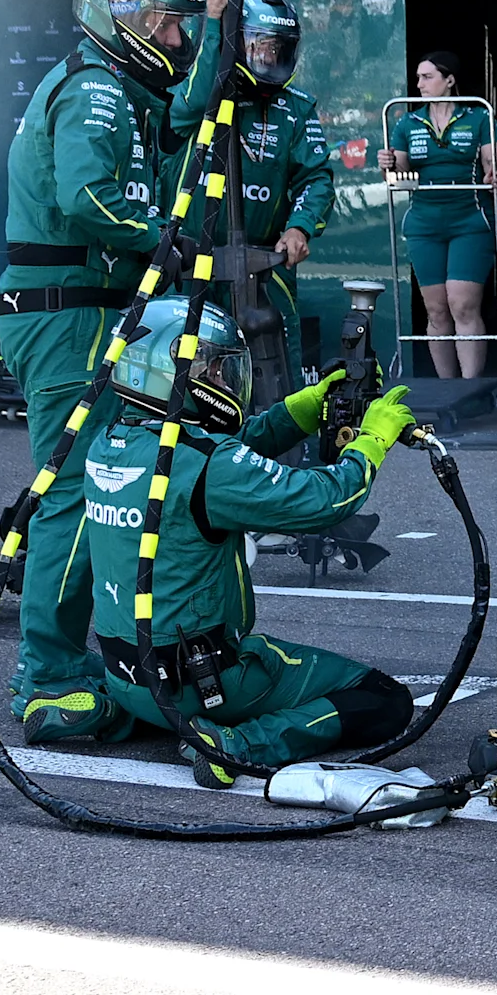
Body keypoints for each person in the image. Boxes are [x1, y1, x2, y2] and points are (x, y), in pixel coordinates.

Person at [0, 0, 232, 742]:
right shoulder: (95, 92)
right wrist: (160, 237)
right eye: (170, 25)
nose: (176, 42)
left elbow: (184, 123)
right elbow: (86, 198)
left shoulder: (121, 91)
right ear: (123, 11)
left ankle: (75, 662)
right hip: (71, 315)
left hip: (86, 308)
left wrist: (216, 26)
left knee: (95, 483)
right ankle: (50, 677)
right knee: (75, 490)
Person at [79, 299, 420, 775]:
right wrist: (372, 440)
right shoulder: (207, 465)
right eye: (215, 368)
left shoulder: (112, 440)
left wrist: (299, 412)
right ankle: (238, 744)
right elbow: (325, 500)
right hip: (204, 683)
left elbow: (222, 461)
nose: (223, 381)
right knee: (384, 700)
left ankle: (114, 711)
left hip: (129, 675)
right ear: (169, 366)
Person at [213, 0, 332, 399]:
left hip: (268, 263)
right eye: (260, 46)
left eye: (276, 49)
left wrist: (300, 228)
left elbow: (316, 177)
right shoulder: (204, 95)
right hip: (200, 265)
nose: (267, 57)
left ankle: (286, 459)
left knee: (281, 383)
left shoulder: (297, 106)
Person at [383, 50, 497, 379]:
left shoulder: (478, 116)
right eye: (419, 78)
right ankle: (446, 388)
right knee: (437, 310)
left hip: (469, 219)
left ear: (449, 80)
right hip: (424, 221)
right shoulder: (408, 122)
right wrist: (390, 164)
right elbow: (401, 172)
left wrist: (495, 175)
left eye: (427, 77)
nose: (419, 84)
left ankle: (470, 388)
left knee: (463, 304)